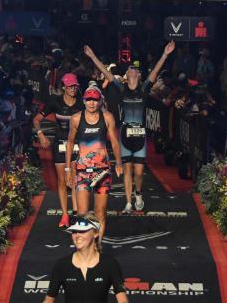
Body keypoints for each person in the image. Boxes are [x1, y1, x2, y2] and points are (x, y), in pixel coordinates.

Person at [85, 41, 175, 213]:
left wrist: (165, 54)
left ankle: (138, 194)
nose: (131, 69)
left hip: (140, 134)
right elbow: (106, 72)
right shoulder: (121, 88)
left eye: (135, 69)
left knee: (139, 172)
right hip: (125, 133)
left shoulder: (144, 88)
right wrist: (92, 56)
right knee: (127, 169)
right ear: (126, 75)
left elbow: (155, 72)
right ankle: (128, 202)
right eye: (129, 69)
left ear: (139, 75)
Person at [66, 84, 123, 245]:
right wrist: (68, 169)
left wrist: (119, 162)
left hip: (102, 171)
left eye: (95, 100)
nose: (92, 103)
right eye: (89, 100)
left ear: (100, 101)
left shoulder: (107, 117)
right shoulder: (76, 118)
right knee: (82, 213)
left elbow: (115, 142)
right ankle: (85, 245)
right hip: (82, 172)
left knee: (100, 213)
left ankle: (97, 246)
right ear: (84, 101)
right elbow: (70, 142)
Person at [33, 73, 84, 228]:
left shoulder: (81, 103)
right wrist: (41, 135)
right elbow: (36, 120)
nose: (73, 89)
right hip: (60, 144)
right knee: (62, 181)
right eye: (70, 86)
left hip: (76, 144)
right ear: (63, 87)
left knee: (74, 179)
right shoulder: (55, 102)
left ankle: (76, 213)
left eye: (75, 86)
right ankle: (65, 214)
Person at [44, 213, 128, 303]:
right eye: (74, 231)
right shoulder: (62, 265)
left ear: (95, 233)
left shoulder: (110, 264)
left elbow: (122, 300)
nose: (77, 235)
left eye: (82, 231)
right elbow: (48, 300)